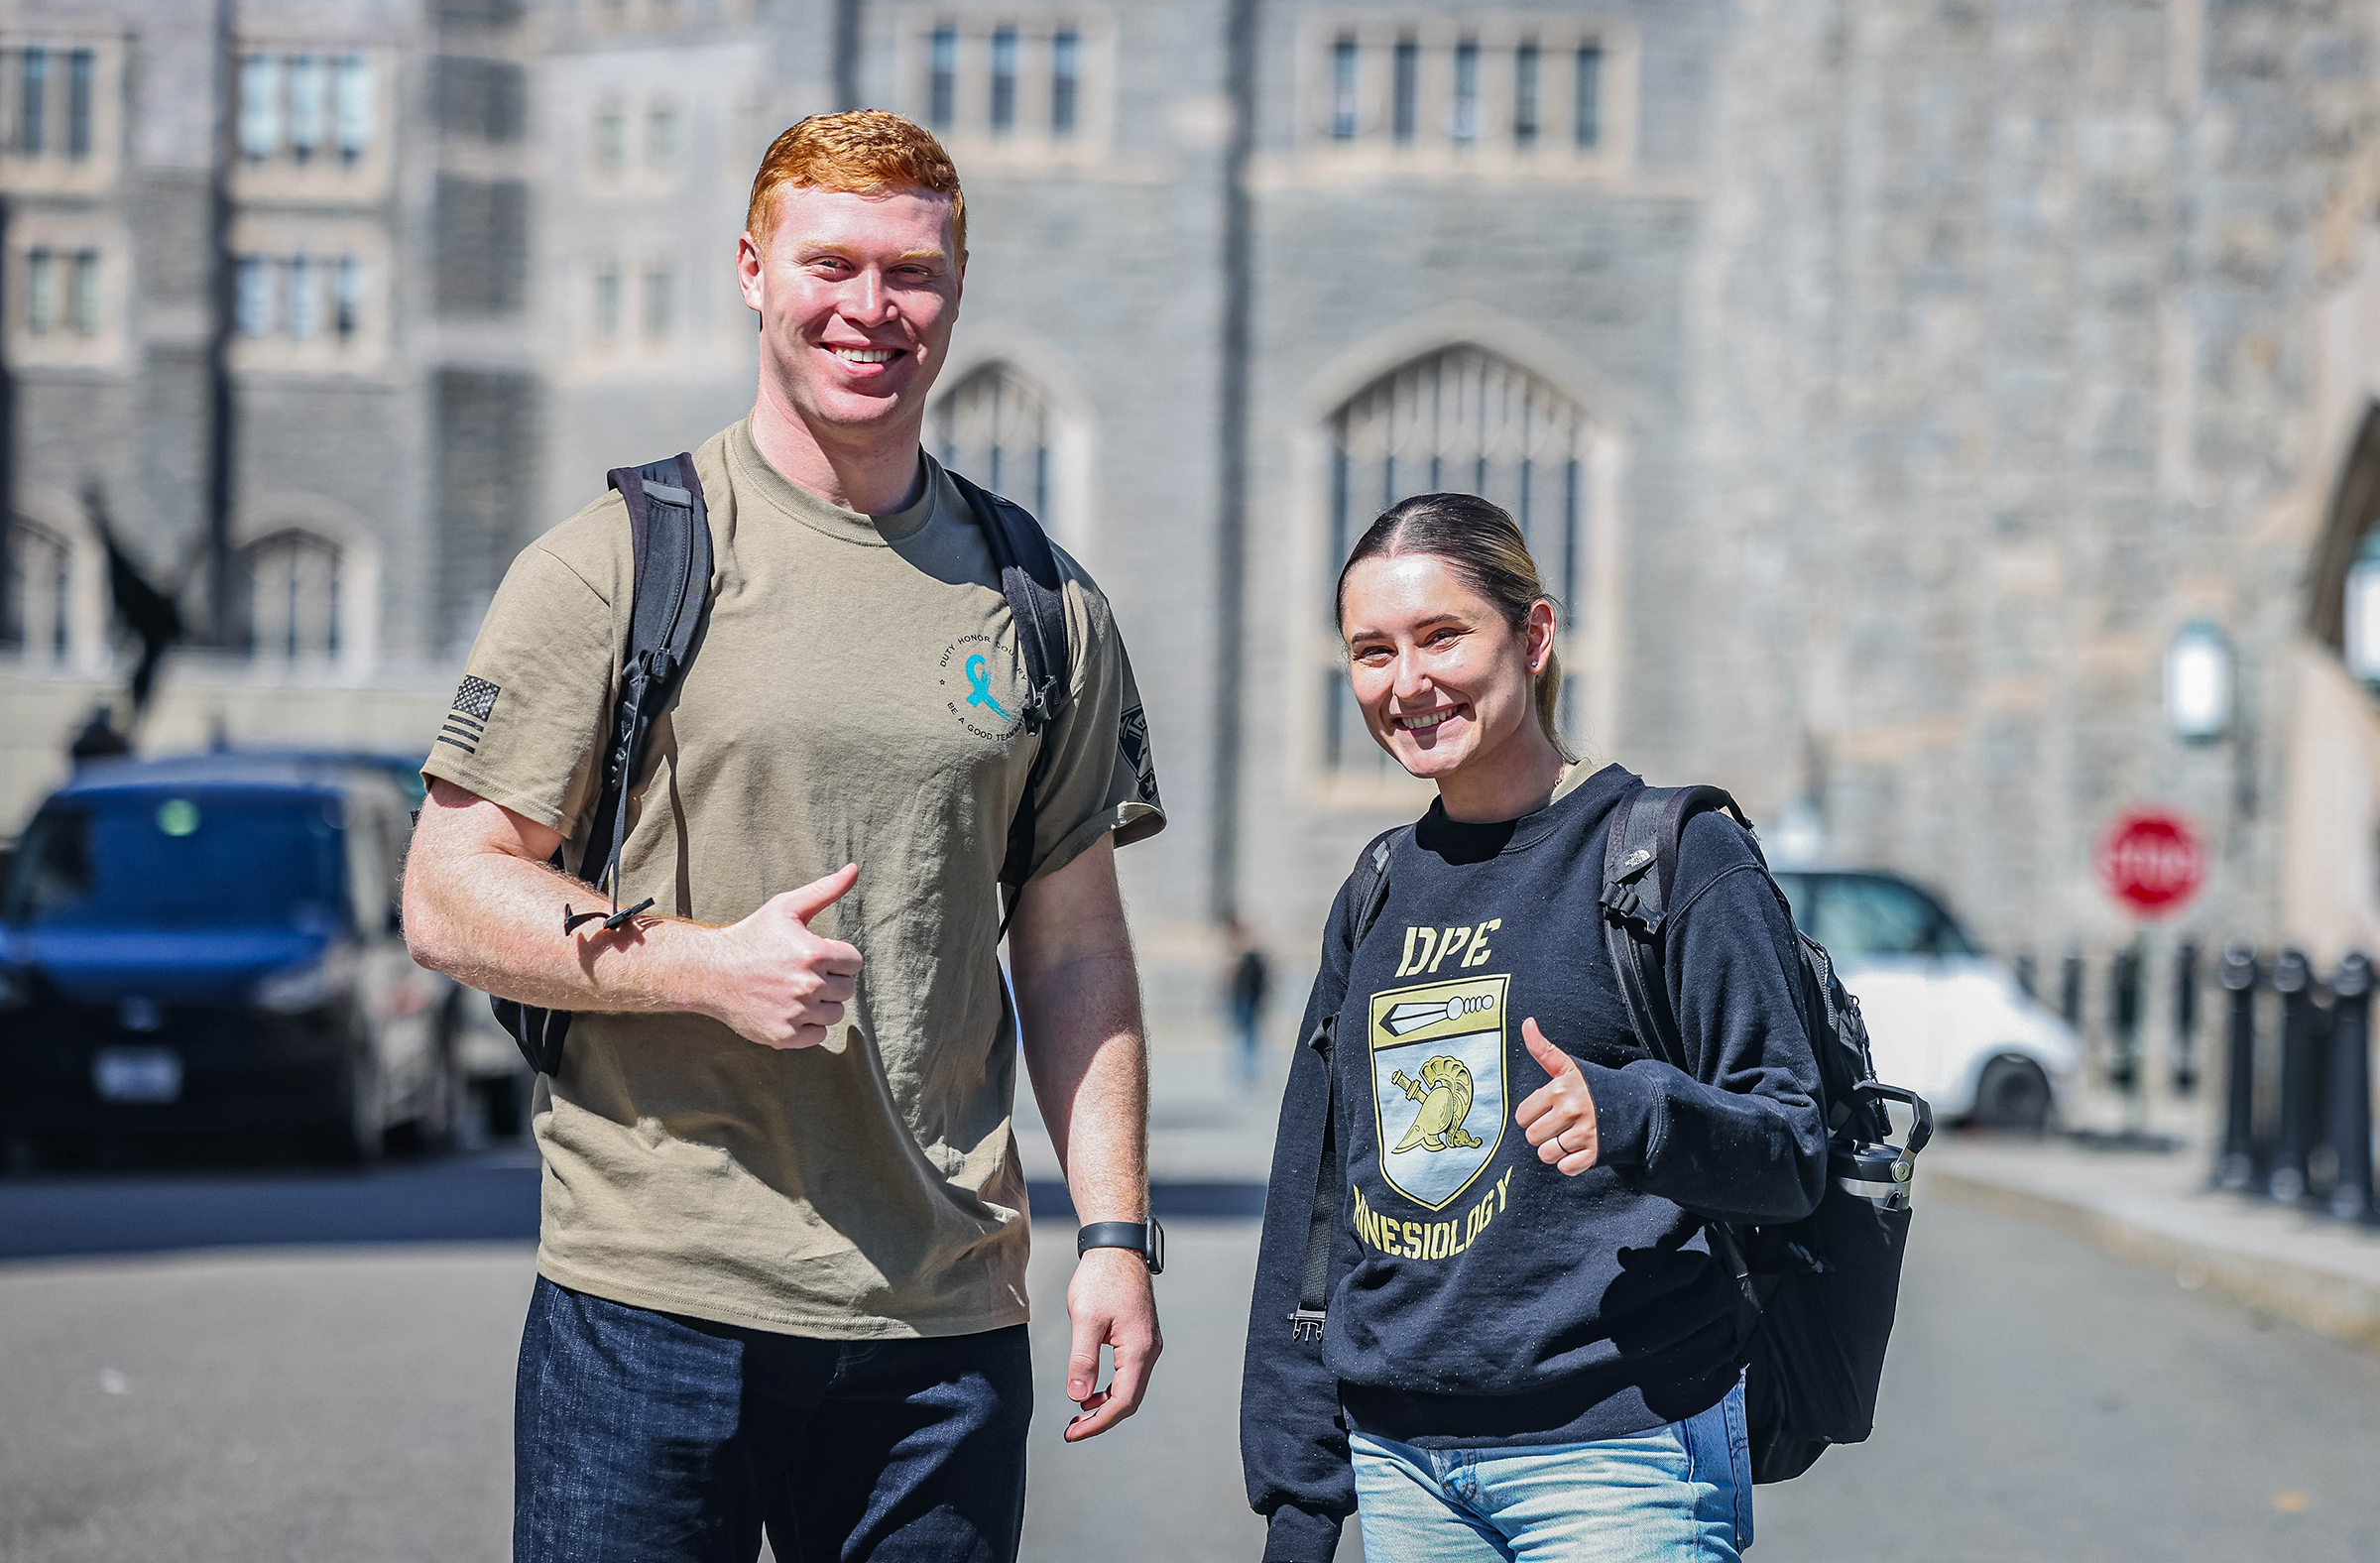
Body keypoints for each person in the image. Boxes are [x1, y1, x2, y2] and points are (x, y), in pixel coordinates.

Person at [402, 111, 1167, 1563]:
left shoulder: (1044, 604)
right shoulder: (619, 560)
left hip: (938, 1326)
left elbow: (1074, 954)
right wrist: (695, 968)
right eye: (831, 264)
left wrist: (1116, 1237)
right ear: (753, 271)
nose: (871, 310)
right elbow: (447, 894)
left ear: (955, 291)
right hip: (648, 1302)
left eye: (913, 273)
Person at [1240, 494, 1826, 1563]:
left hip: (1621, 1460)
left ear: (1535, 635)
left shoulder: (1674, 856)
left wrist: (1637, 1108)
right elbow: (1315, 1199)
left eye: (1442, 636)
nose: (1407, 682)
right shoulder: (1376, 887)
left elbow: (1791, 1149)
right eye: (1372, 651)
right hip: (1405, 1466)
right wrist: (1299, 1492)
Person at [1223, 911, 1270, 1088]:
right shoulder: (1240, 957)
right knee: (1244, 1037)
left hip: (1250, 1000)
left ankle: (1250, 1074)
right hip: (1243, 999)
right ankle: (1244, 1074)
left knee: (1250, 1038)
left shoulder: (1252, 958)